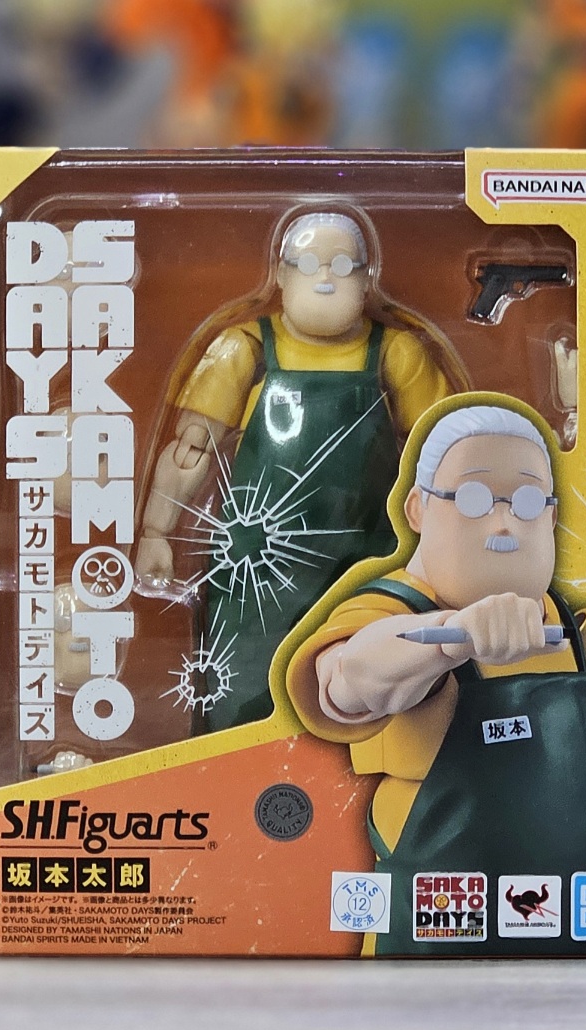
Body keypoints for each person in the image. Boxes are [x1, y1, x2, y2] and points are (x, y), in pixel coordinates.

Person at [286, 402, 586, 955]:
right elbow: (348, 679)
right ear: (418, 508)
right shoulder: (392, 614)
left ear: (551, 515)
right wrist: (450, 637)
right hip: (442, 924)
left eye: (526, 502)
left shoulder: (584, 636)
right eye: (475, 498)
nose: (504, 522)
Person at [137, 210, 461, 732]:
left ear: (366, 277)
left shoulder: (398, 354)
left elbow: (447, 453)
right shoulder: (242, 351)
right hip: (255, 565)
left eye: (342, 266)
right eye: (309, 264)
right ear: (282, 275)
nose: (326, 278)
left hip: (371, 558)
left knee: (376, 690)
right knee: (240, 689)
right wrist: (156, 530)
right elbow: (189, 451)